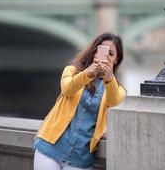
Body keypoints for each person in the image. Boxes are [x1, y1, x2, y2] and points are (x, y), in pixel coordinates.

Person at [33, 32, 126, 170]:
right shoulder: (71, 71)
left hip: (80, 159)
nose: (105, 58)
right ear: (94, 52)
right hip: (50, 148)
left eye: (110, 54)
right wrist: (87, 74)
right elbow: (67, 89)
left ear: (116, 59)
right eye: (101, 52)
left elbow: (115, 103)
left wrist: (109, 78)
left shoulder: (117, 89)